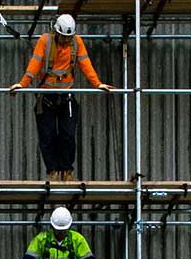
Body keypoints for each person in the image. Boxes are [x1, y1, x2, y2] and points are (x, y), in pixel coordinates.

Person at [9, 13, 114, 182]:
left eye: (68, 37)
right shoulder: (46, 41)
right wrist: (22, 84)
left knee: (68, 135)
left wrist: (98, 84)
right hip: (47, 96)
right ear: (56, 32)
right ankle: (52, 171)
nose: (66, 41)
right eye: (64, 37)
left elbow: (85, 64)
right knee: (47, 136)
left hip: (67, 96)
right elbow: (34, 64)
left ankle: (66, 170)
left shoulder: (76, 43)